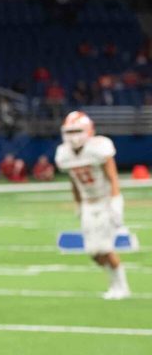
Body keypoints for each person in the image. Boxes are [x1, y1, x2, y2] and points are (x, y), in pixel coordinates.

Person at [54, 111, 130, 299]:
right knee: (93, 253)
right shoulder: (64, 154)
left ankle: (121, 287)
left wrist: (116, 202)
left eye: (77, 131)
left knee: (104, 248)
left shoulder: (99, 147)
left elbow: (112, 177)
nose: (73, 136)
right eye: (69, 132)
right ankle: (114, 283)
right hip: (88, 204)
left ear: (88, 131)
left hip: (104, 201)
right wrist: (78, 204)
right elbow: (73, 182)